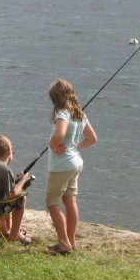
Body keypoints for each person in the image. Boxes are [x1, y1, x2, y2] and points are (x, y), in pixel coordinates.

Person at [44, 79, 97, 255]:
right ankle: (71, 242)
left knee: (52, 203)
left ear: (56, 99)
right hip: (76, 163)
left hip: (61, 166)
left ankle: (63, 244)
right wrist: (75, 147)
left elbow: (60, 133)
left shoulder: (62, 114)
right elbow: (92, 138)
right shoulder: (80, 114)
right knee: (70, 200)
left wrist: (52, 145)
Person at [0, 133, 33, 245]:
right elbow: (12, 194)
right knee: (21, 198)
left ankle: (4, 231)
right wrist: (23, 180)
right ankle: (15, 234)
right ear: (8, 151)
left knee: (2, 197)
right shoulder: (4, 169)